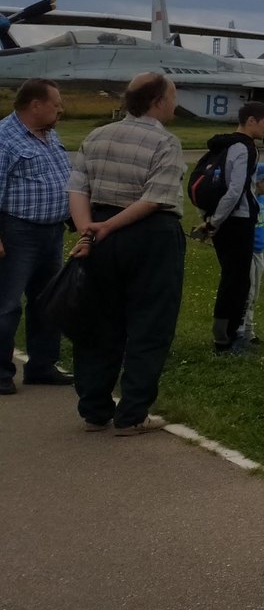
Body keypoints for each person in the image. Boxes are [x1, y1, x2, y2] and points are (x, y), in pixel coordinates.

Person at [67, 71, 188, 436]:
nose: (174, 103)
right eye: (172, 96)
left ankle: (94, 408)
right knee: (150, 323)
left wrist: (89, 230)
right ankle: (133, 412)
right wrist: (109, 226)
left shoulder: (97, 135)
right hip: (149, 235)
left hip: (99, 229)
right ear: (157, 102)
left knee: (98, 322)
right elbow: (154, 198)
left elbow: (77, 189)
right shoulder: (165, 143)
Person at [0, 78, 74, 395]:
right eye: (55, 103)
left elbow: (62, 180)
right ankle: (1, 373)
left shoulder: (49, 135)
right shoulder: (4, 139)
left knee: (47, 302)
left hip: (52, 232)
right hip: (17, 232)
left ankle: (42, 366)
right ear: (35, 105)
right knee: (7, 305)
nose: (60, 109)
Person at [192, 101, 264, 354]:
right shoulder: (245, 148)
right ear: (251, 121)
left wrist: (212, 219)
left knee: (232, 279)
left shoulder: (224, 144)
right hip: (236, 221)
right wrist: (215, 221)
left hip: (223, 220)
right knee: (237, 282)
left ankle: (226, 335)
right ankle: (229, 340)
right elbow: (236, 189)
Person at [236, 161, 264, 348]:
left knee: (255, 292)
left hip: (259, 252)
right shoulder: (246, 202)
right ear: (258, 182)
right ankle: (242, 332)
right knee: (247, 292)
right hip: (247, 252)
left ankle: (250, 330)